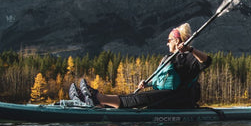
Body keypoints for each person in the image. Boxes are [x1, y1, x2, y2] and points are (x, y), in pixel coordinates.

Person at [69, 23, 211, 109]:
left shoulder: (189, 57)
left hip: (179, 99)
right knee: (133, 97)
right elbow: (163, 81)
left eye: (169, 40)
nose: (166, 43)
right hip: (166, 96)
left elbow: (207, 62)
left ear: (176, 40)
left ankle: (97, 97)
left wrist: (190, 50)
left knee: (137, 99)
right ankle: (101, 103)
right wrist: (148, 84)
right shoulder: (168, 58)